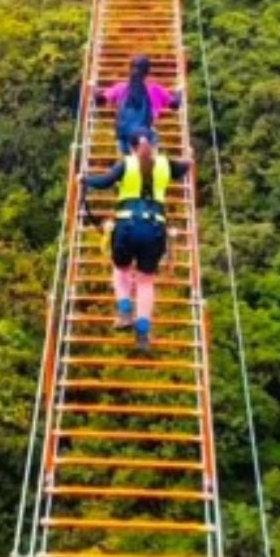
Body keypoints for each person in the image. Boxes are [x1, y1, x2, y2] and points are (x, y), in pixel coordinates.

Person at [80, 130, 193, 353]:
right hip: (154, 229)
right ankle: (142, 333)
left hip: (126, 227)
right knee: (145, 282)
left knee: (121, 271)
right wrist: (190, 157)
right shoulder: (165, 164)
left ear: (131, 147)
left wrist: (83, 179)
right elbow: (185, 167)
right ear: (155, 145)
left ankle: (124, 311)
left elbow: (103, 182)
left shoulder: (126, 164)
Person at [93, 55, 183, 157]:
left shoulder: (121, 88)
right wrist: (180, 91)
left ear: (130, 69)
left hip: (124, 137)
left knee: (128, 171)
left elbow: (100, 100)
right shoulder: (155, 89)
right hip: (147, 135)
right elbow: (175, 105)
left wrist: (94, 88)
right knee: (149, 169)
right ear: (148, 71)